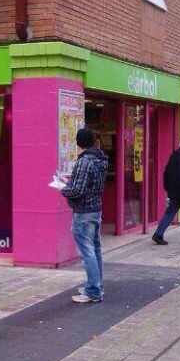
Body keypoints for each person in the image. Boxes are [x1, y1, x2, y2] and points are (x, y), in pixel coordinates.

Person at [61, 128, 109, 303]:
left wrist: (63, 187)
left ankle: (93, 291)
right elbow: (89, 185)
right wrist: (70, 183)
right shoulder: (100, 159)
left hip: (83, 213)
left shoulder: (84, 162)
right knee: (95, 250)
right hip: (96, 210)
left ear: (78, 143)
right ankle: (96, 286)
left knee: (87, 252)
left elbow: (78, 191)